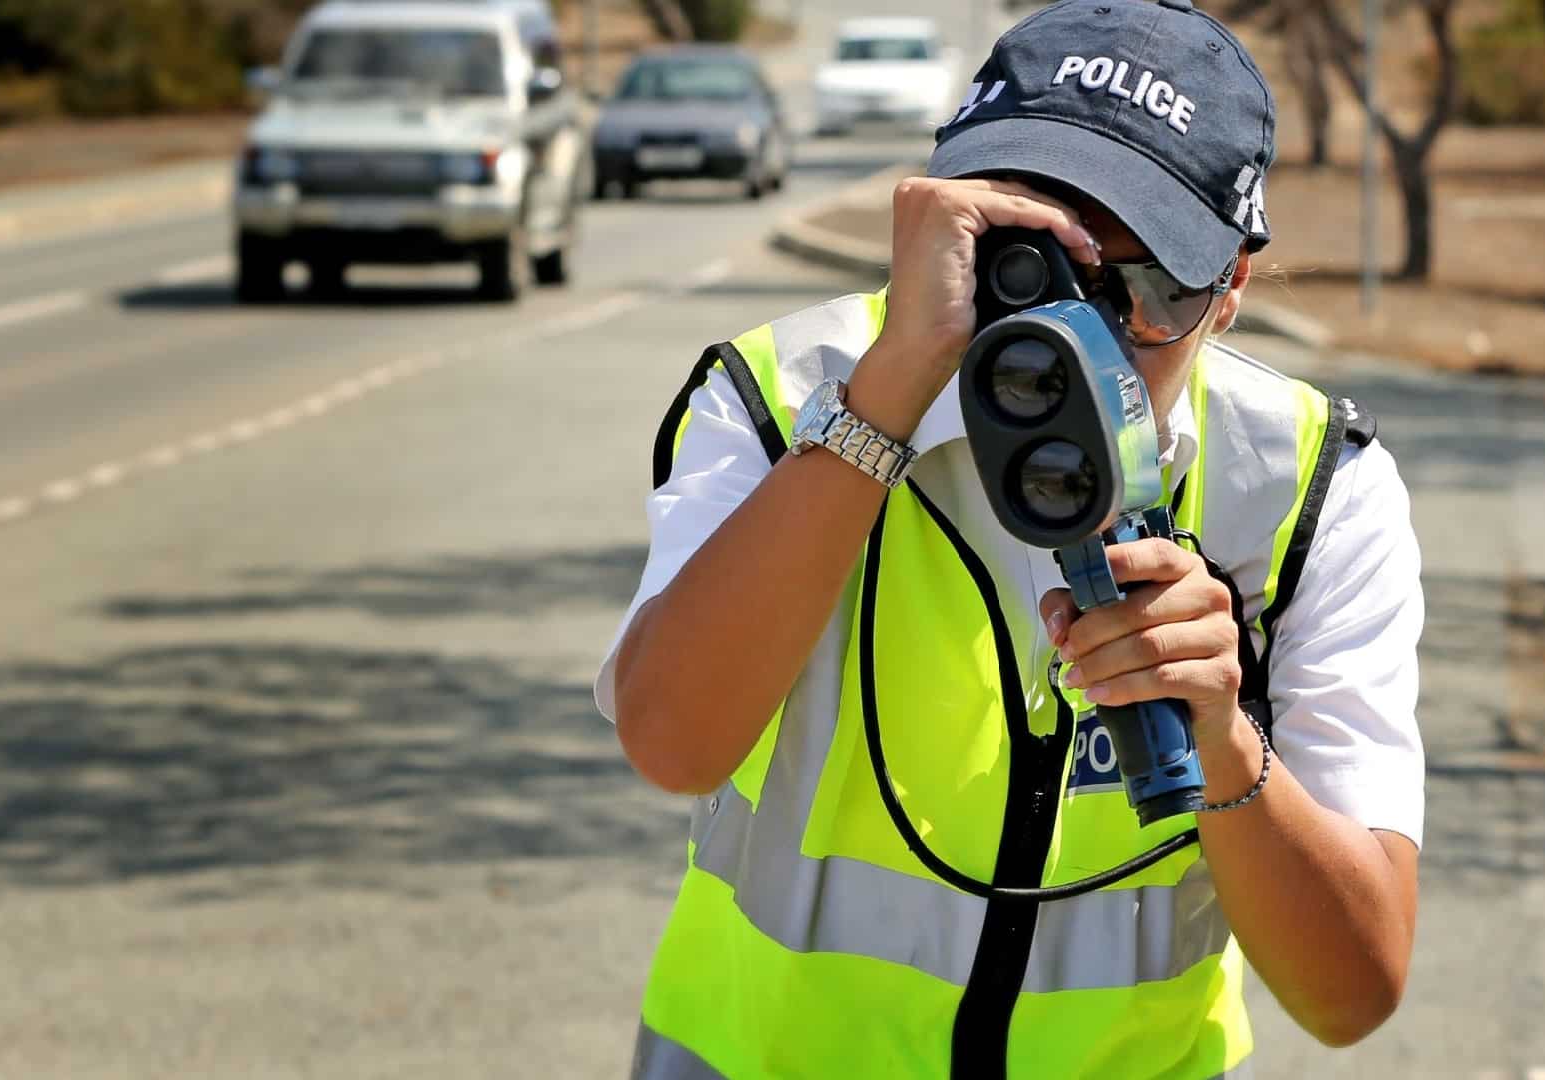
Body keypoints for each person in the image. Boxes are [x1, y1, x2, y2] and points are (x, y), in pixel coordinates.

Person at [598, 2, 1424, 1076]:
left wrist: (1224, 738)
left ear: (1228, 294)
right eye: (1027, 264)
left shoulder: (1305, 489)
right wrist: (882, 401)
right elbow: (673, 742)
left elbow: (1353, 991)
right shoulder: (781, 396)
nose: (1083, 335)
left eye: (1146, 289)